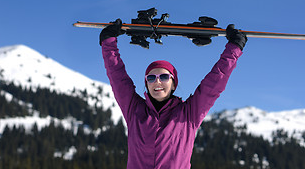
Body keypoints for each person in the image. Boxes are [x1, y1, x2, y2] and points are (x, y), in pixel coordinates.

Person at [100, 19, 247, 169]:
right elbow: (117, 76)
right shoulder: (134, 111)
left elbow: (213, 84)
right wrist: (108, 42)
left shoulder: (188, 114)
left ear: (174, 83)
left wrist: (234, 49)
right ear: (146, 84)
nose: (157, 82)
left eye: (164, 77)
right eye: (151, 78)